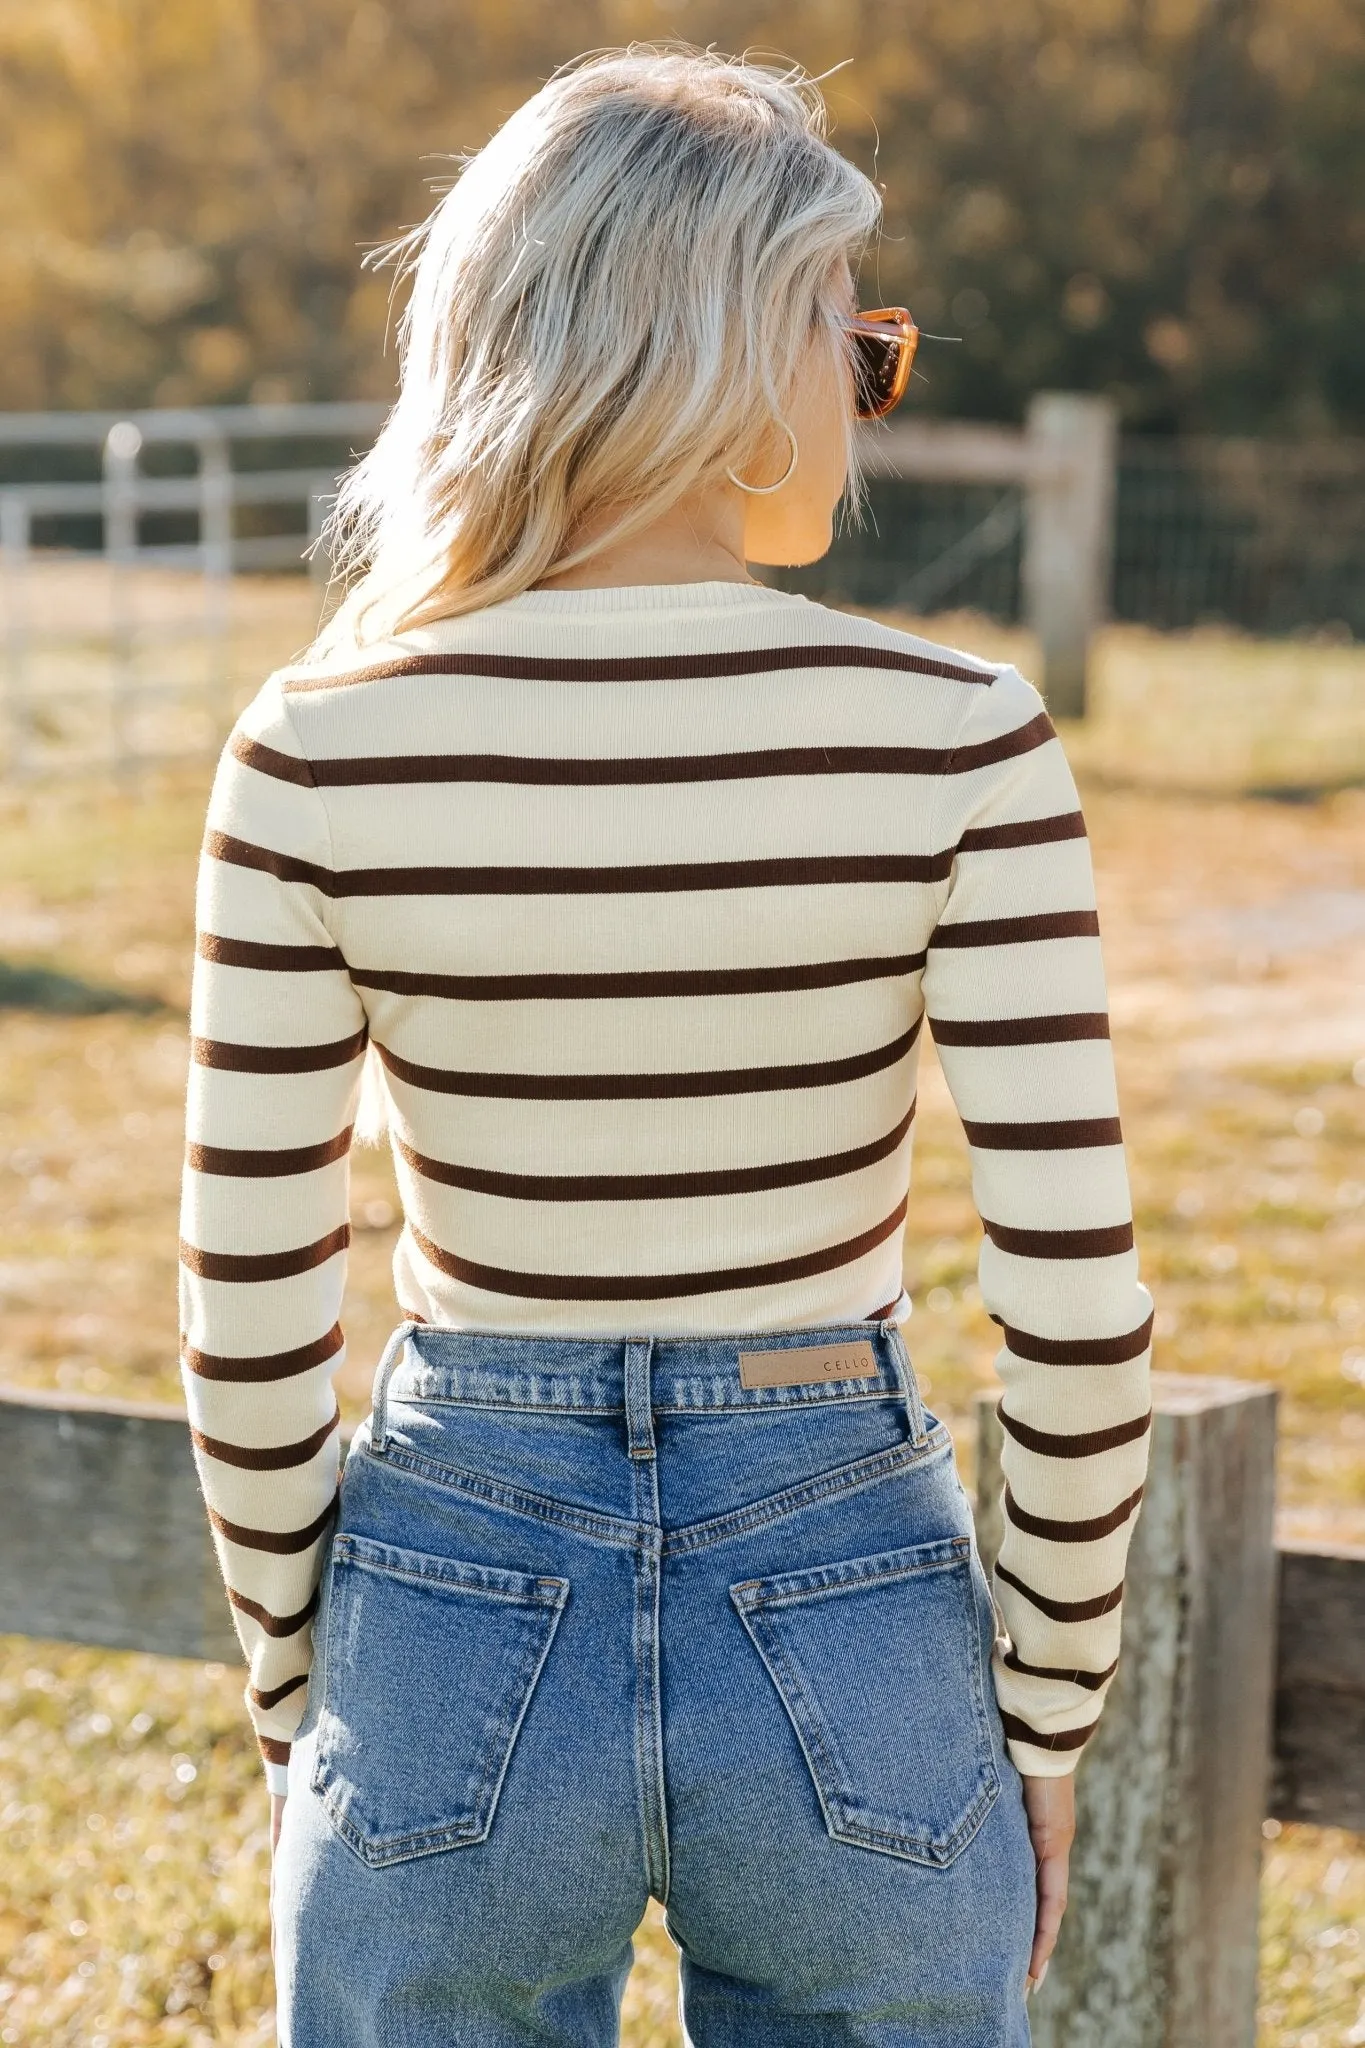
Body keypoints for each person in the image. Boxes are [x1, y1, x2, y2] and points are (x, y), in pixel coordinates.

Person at [178, 45, 1153, 2047]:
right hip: (852, 1594)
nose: (872, 383)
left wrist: (308, 1702)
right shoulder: (959, 742)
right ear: (712, 354)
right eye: (847, 334)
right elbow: (1073, 1311)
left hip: (449, 1590)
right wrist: (1047, 1720)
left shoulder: (311, 750)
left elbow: (251, 1322)